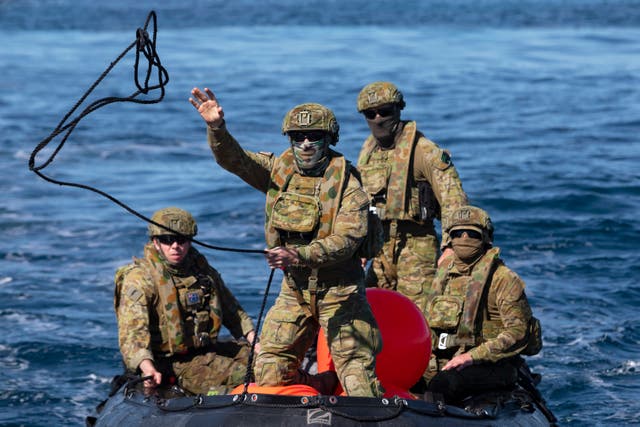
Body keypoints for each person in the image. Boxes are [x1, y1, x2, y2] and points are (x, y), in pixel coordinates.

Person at [189, 87, 384, 397]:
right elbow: (235, 160)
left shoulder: (349, 184)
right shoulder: (280, 172)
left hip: (340, 291)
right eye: (298, 137)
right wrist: (217, 128)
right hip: (294, 290)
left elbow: (346, 240)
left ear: (328, 139)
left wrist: (296, 254)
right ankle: (317, 389)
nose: (305, 144)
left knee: (358, 377)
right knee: (269, 373)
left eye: (313, 136)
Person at [114, 207, 259, 395]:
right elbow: (133, 334)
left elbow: (232, 311)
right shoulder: (141, 279)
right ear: (155, 242)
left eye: (182, 240)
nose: (175, 246)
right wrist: (147, 368)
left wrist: (256, 343)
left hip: (204, 351)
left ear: (190, 241)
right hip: (170, 362)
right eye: (167, 240)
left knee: (272, 363)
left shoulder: (201, 270)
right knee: (246, 375)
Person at [355, 81, 468, 317]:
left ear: (398, 110)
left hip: (416, 244)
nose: (378, 119)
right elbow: (360, 202)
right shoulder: (369, 151)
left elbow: (453, 200)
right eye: (370, 114)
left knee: (417, 313)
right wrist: (359, 245)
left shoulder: (424, 151)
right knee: (368, 310)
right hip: (379, 244)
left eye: (385, 112)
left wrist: (450, 247)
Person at [424, 205, 542, 402]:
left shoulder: (503, 279)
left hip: (492, 363)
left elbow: (518, 332)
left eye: (472, 234)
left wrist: (472, 357)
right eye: (457, 233)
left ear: (486, 238)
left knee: (441, 385)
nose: (464, 238)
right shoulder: (445, 273)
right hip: (447, 358)